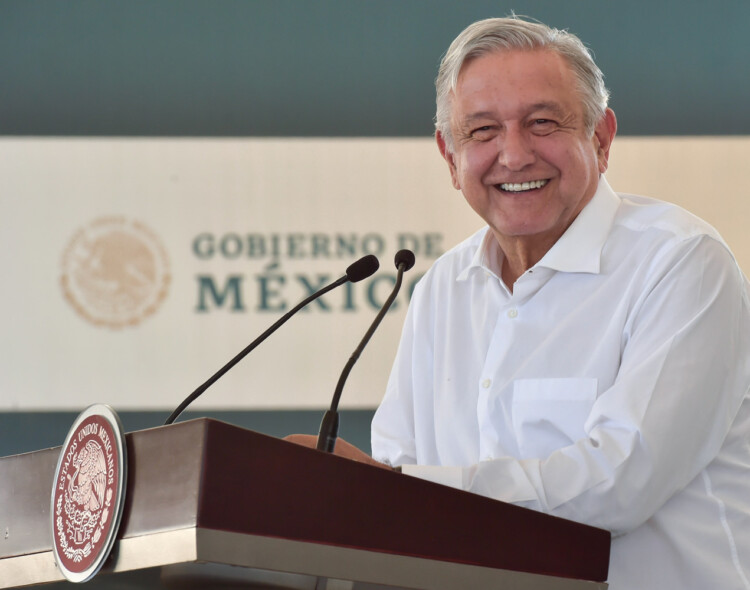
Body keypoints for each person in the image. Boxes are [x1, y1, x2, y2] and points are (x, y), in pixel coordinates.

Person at [288, 16, 750, 588]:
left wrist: (395, 490)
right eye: (481, 131)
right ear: (449, 156)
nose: (513, 154)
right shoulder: (442, 288)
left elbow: (620, 482)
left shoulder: (680, 262)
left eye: (543, 123)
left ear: (601, 138)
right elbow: (397, 474)